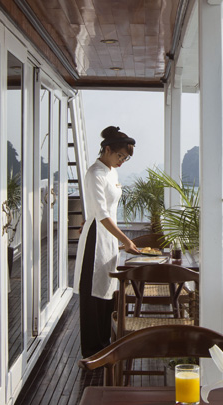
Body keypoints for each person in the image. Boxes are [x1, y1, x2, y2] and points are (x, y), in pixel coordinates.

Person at [73, 126, 139, 357]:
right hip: (96, 234)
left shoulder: (111, 172)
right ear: (107, 149)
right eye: (120, 155)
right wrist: (126, 240)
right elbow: (101, 213)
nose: (122, 161)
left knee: (106, 290)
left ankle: (104, 343)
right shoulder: (95, 174)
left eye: (125, 158)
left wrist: (117, 238)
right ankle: (92, 351)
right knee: (93, 291)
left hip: (108, 234)